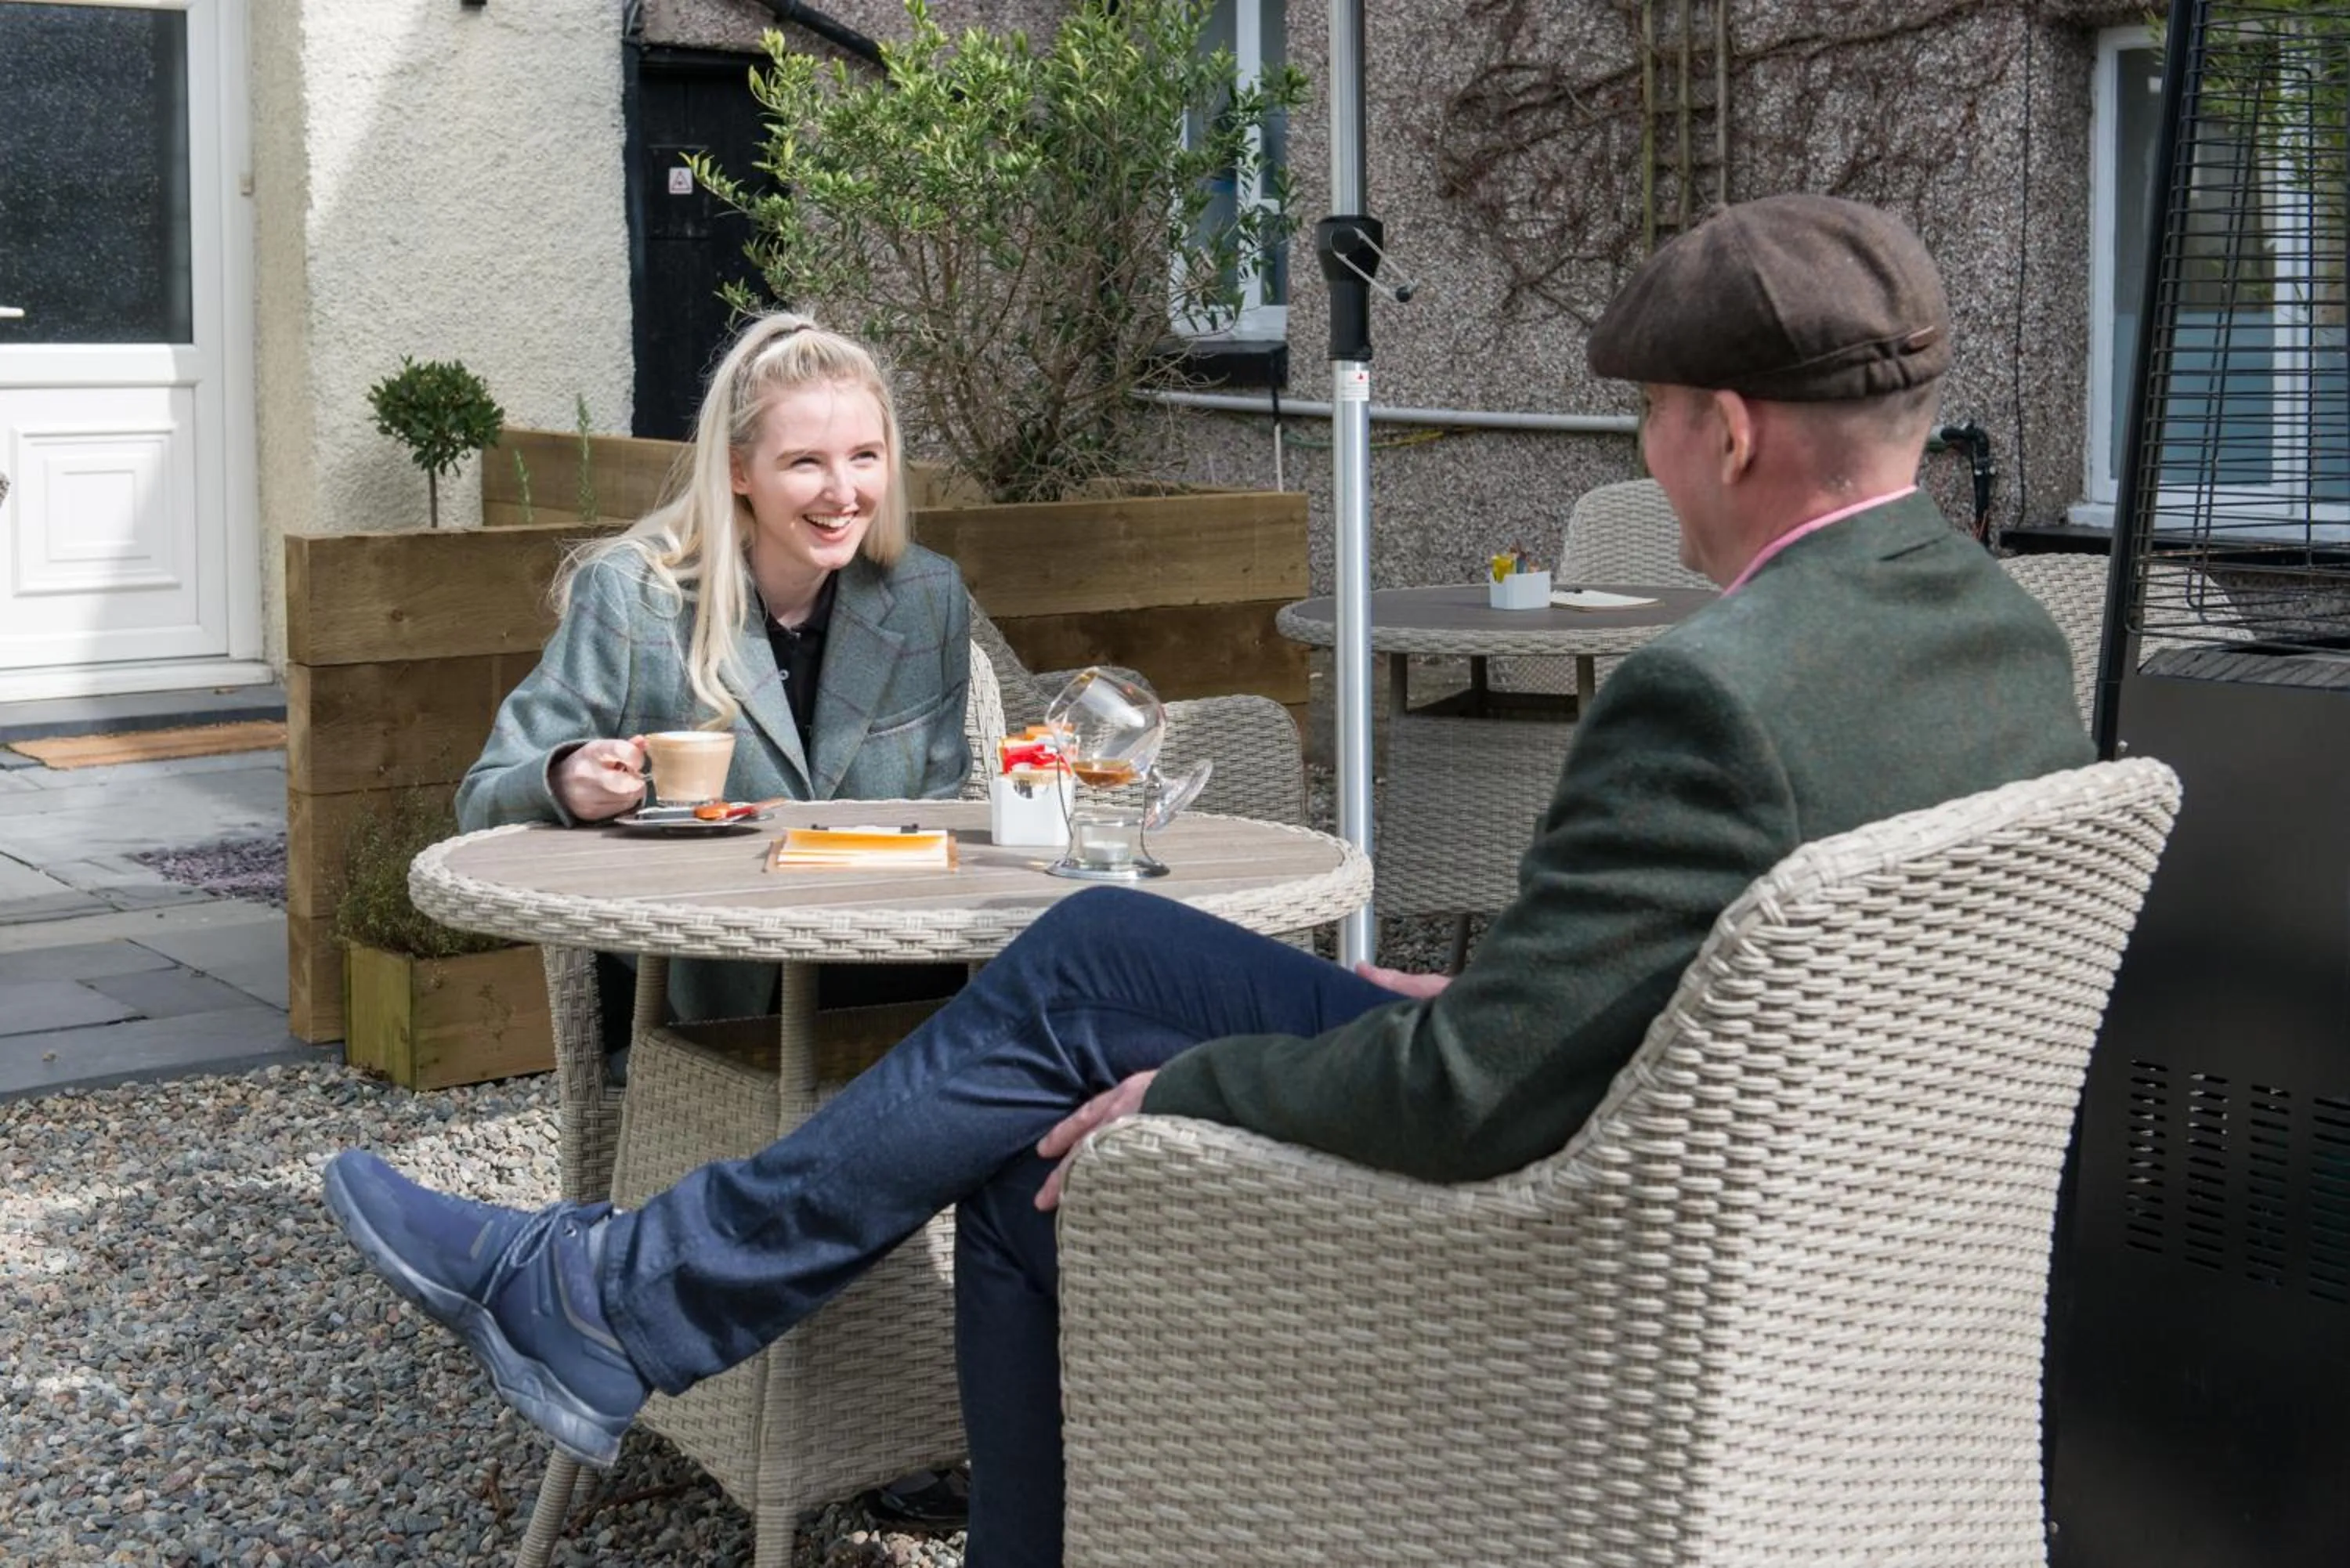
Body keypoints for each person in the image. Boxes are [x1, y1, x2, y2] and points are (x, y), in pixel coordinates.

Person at [324, 194, 2092, 1567]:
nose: (1641, 454)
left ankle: (624, 1292)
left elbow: (1474, 1096)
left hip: (1586, 1240)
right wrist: (1501, 988)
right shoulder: (2009, 642)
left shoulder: (1709, 690)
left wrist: (1200, 1086)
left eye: (1640, 418)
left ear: (1721, 429)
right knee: (1049, 1092)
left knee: (1095, 982)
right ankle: (643, 1300)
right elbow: (1703, 978)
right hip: (1793, 1228)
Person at [457, 311, 973, 1026]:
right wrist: (567, 779)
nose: (843, 492)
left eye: (865, 456)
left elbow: (940, 812)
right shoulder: (636, 600)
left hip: (889, 976)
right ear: (738, 471)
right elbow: (481, 800)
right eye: (804, 462)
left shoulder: (926, 596)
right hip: (703, 1004)